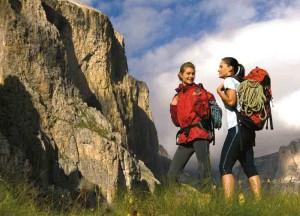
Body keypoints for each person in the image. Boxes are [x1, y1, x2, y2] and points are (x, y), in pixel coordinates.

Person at [216, 57, 261, 201]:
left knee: (224, 166)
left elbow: (231, 101)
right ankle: (259, 202)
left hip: (237, 128)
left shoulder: (229, 81)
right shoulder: (240, 82)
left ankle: (228, 205)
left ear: (230, 69)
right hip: (248, 130)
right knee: (250, 168)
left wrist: (219, 92)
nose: (219, 69)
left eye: (221, 66)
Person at [167, 62, 215, 187]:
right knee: (172, 174)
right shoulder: (178, 96)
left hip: (200, 134)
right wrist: (173, 106)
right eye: (188, 73)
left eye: (193, 73)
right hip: (185, 136)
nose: (191, 76)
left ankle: (209, 200)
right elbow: (177, 122)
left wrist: (200, 99)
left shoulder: (199, 91)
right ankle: (175, 202)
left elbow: (205, 114)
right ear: (181, 75)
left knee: (205, 172)